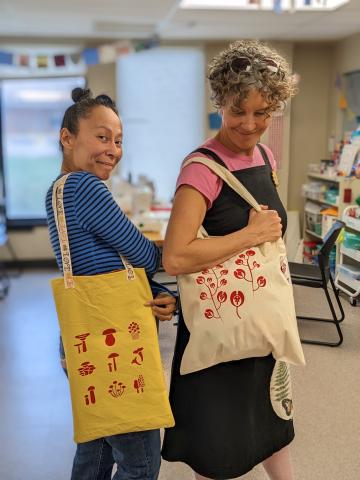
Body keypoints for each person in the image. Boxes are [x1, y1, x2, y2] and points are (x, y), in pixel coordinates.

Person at [161, 40, 298, 480]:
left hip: (260, 320)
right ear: (221, 102)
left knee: (269, 423)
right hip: (219, 330)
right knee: (218, 447)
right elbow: (177, 256)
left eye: (263, 113)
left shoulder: (264, 156)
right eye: (240, 111)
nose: (251, 124)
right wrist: (249, 234)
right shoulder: (200, 169)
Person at [46, 87, 176, 480]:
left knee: (96, 453)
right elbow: (146, 254)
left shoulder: (56, 190)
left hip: (85, 341)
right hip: (115, 343)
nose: (113, 149)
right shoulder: (86, 187)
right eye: (102, 137)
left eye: (118, 141)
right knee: (141, 463)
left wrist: (157, 291)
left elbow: (98, 265)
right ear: (67, 138)